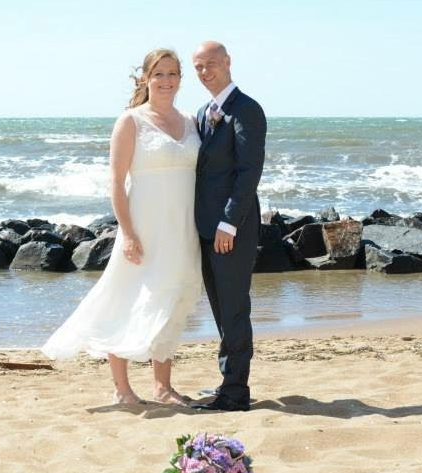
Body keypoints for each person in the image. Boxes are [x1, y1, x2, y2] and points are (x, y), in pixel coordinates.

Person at [41, 49, 202, 405]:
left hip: (182, 229)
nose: (166, 80)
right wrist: (127, 233)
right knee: (127, 300)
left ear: (180, 79)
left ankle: (162, 388)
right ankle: (123, 390)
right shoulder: (130, 121)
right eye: (158, 73)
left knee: (170, 302)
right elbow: (116, 183)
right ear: (145, 78)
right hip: (143, 229)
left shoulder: (191, 120)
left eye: (173, 73)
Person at [190, 41, 266, 412]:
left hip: (230, 230)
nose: (205, 72)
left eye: (211, 65)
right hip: (206, 228)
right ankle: (230, 380)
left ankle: (235, 393)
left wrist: (228, 223)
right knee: (221, 309)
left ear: (228, 63)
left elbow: (248, 173)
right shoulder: (205, 112)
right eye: (199, 67)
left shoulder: (247, 110)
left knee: (234, 308)